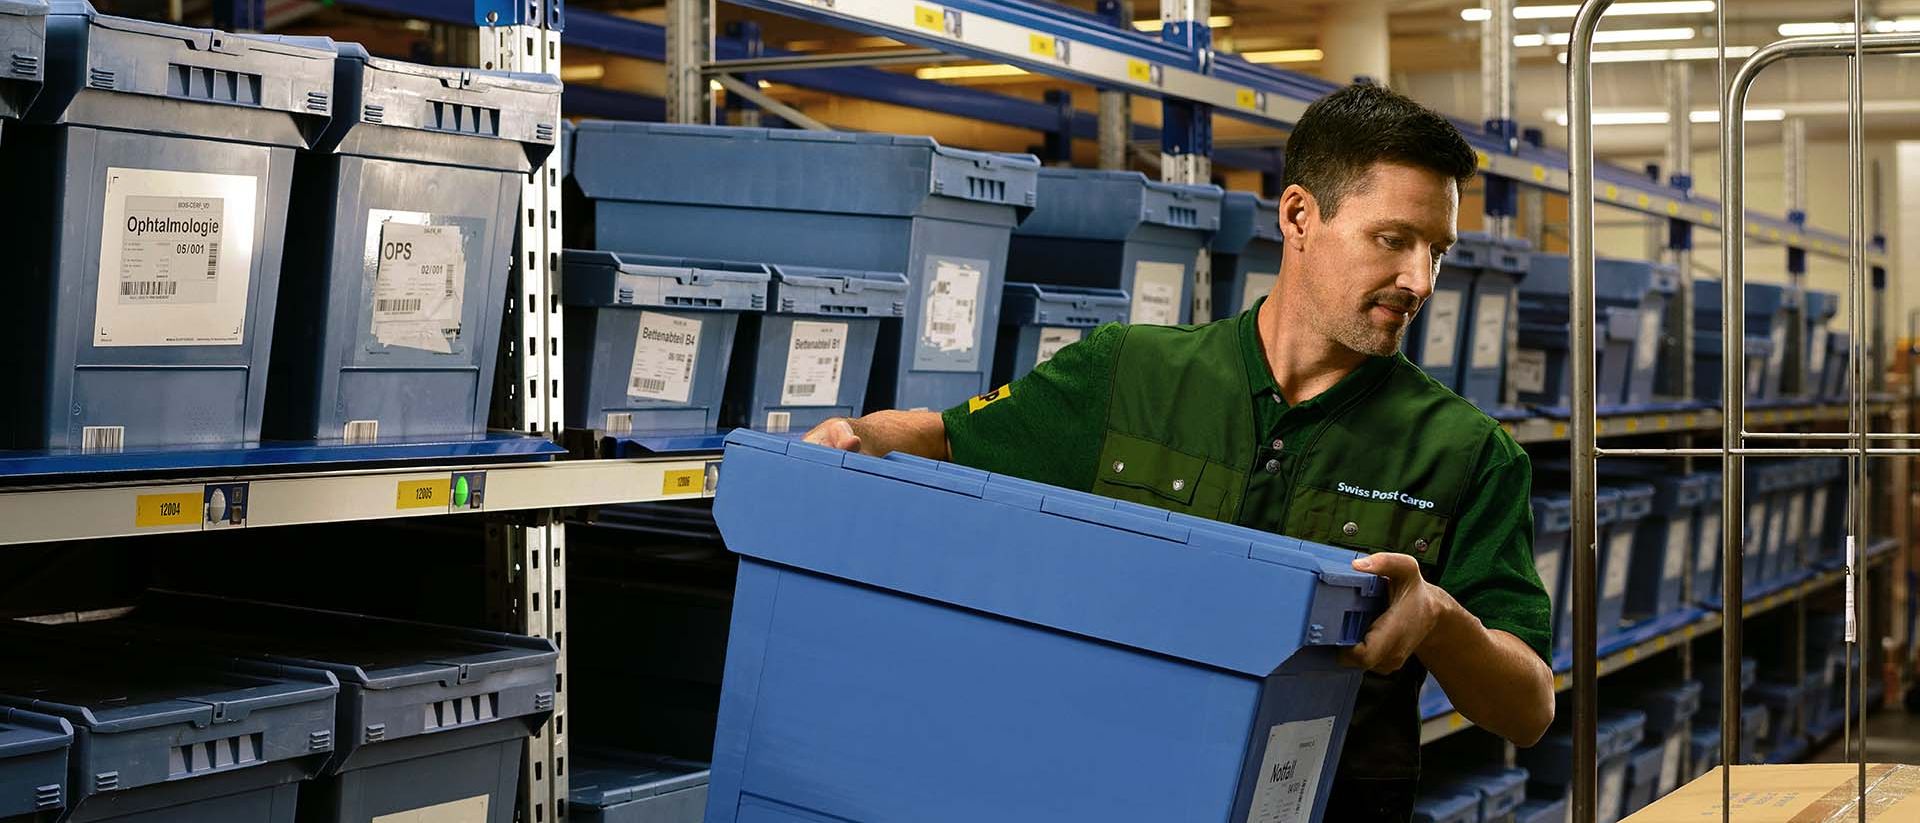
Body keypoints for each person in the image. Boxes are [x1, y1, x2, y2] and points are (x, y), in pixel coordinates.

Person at [802, 82, 1554, 822]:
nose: (1420, 279)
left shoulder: (1469, 451)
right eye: (1392, 239)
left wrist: (1441, 619)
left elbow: (1528, 710)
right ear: (1299, 215)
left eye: (1438, 250)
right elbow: (945, 436)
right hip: (1105, 787)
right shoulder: (1127, 372)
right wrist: (859, 436)